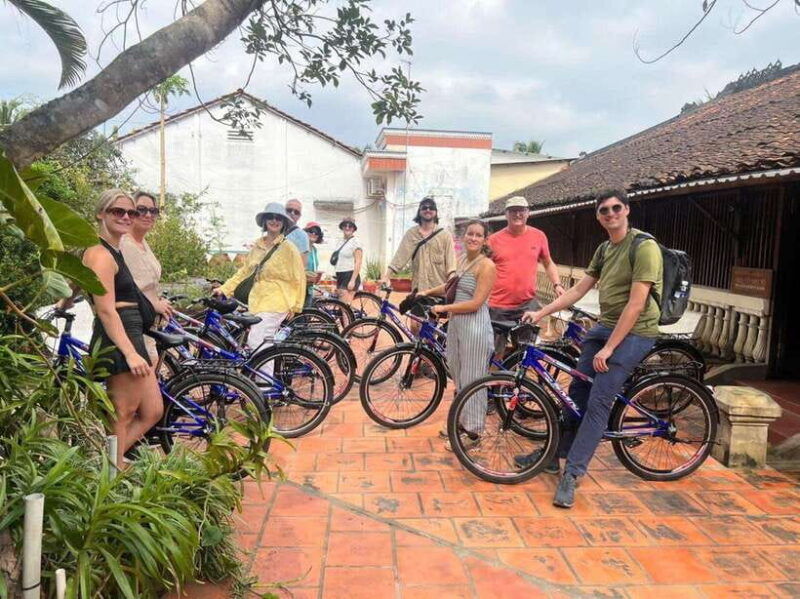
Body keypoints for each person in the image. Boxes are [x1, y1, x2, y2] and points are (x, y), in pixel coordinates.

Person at [519, 189, 663, 509]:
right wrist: (541, 312)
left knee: (598, 402)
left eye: (615, 208)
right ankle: (554, 456)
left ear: (626, 210)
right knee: (576, 396)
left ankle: (573, 473)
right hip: (606, 325)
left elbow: (637, 304)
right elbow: (579, 290)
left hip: (636, 331)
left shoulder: (644, 247)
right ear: (598, 216)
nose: (610, 214)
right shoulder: (603, 249)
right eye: (603, 211)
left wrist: (609, 349)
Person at [82, 189, 163, 468]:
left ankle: (106, 461)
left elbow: (80, 278)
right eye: (118, 211)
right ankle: (111, 472)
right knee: (123, 413)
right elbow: (106, 309)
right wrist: (129, 352)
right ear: (101, 214)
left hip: (131, 331)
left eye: (131, 212)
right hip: (119, 337)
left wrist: (65, 298)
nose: (127, 217)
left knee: (152, 410)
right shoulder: (101, 255)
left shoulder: (112, 250)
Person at [418, 220, 496, 450]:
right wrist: (427, 292)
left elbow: (475, 303)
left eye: (478, 235)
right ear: (464, 237)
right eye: (469, 234)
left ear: (484, 240)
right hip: (457, 326)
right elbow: (449, 287)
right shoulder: (463, 260)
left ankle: (473, 434)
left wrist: (445, 309)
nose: (472, 238)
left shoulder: (487, 266)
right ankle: (462, 422)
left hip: (475, 328)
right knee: (459, 377)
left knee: (473, 380)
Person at [216, 202, 306, 350]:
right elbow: (244, 273)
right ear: (264, 221)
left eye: (279, 218)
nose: (274, 221)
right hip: (257, 300)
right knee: (254, 342)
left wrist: (295, 306)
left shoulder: (288, 248)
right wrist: (224, 289)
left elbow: (299, 277)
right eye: (271, 217)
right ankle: (255, 370)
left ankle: (265, 374)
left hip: (277, 301)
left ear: (283, 223)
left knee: (257, 341)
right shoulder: (257, 246)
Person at [488, 196, 564, 357]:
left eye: (521, 210)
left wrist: (557, 284)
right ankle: (493, 382)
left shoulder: (539, 236)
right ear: (506, 214)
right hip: (497, 306)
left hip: (527, 306)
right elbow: (482, 270)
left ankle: (517, 381)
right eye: (513, 211)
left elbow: (548, 263)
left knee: (525, 353)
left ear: (528, 213)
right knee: (493, 354)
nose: (517, 214)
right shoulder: (493, 240)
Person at [120, 191, 173, 362]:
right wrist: (154, 304)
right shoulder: (124, 244)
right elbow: (126, 288)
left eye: (153, 211)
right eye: (141, 209)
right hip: (132, 326)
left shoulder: (142, 243)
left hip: (148, 323)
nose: (148, 215)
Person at [381, 197, 456, 293]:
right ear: (419, 212)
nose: (428, 210)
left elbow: (451, 264)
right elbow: (400, 257)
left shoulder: (445, 236)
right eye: (424, 207)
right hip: (419, 291)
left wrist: (450, 286)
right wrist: (386, 276)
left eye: (431, 207)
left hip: (439, 291)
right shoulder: (411, 234)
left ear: (436, 212)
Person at [333, 217, 362, 305]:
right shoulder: (340, 242)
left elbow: (358, 262)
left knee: (344, 308)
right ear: (342, 227)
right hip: (340, 275)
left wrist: (352, 280)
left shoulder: (355, 242)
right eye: (345, 225)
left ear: (354, 229)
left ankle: (349, 319)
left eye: (350, 226)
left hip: (349, 275)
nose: (347, 228)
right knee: (342, 306)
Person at [284, 198, 310, 268]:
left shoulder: (302, 235)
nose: (292, 213)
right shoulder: (275, 228)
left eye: (296, 212)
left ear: (299, 216)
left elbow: (302, 265)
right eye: (289, 210)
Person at [303, 221, 324, 307]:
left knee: (307, 316)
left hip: (310, 288)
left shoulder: (314, 250)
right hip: (301, 289)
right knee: (300, 318)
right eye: (311, 231)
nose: (314, 234)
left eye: (316, 232)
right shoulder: (302, 248)